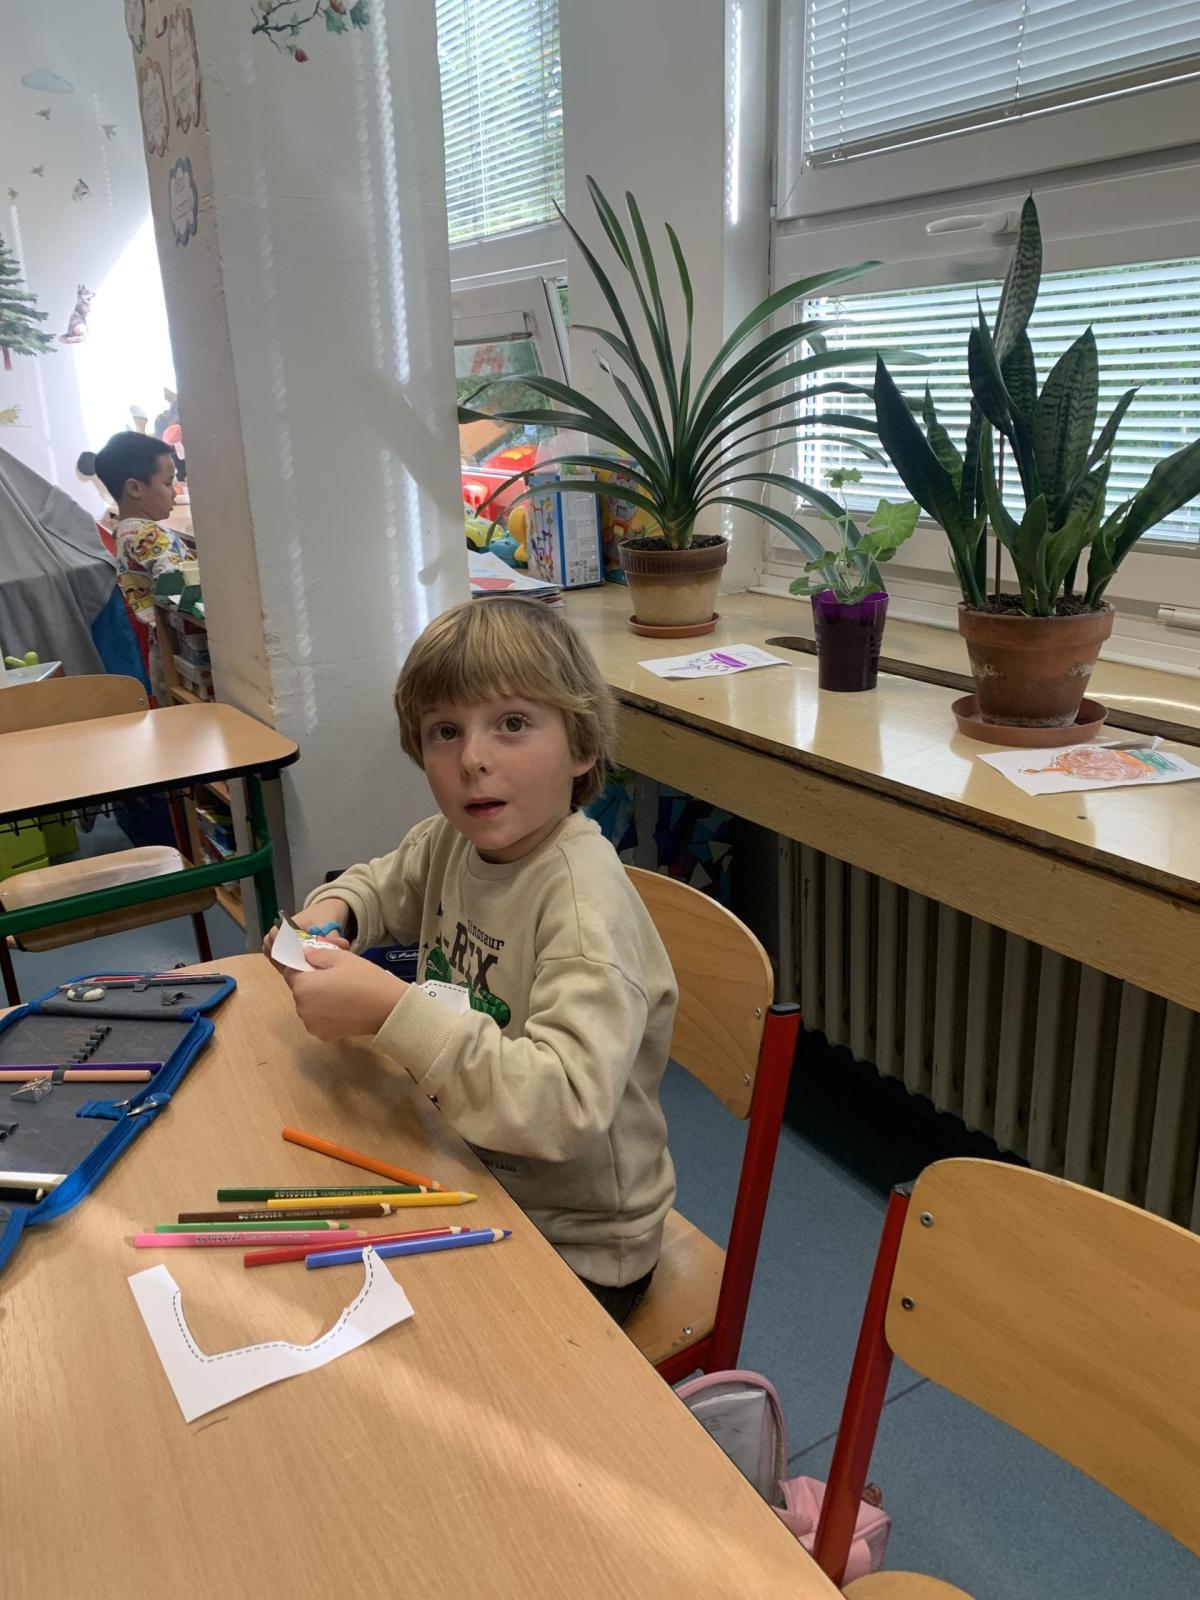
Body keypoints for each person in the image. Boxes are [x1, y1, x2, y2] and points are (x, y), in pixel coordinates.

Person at [266, 597, 678, 1324]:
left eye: (512, 724)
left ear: (581, 746)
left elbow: (564, 1106)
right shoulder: (452, 841)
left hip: (578, 1245)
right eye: (445, 731)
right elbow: (380, 885)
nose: (472, 759)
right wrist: (335, 912)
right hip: (465, 1165)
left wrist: (393, 1013)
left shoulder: (584, 907)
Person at [82, 431, 188, 702]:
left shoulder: (124, 531)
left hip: (159, 650)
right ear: (135, 488)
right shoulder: (151, 535)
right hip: (181, 648)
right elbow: (178, 591)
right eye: (168, 482)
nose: (174, 491)